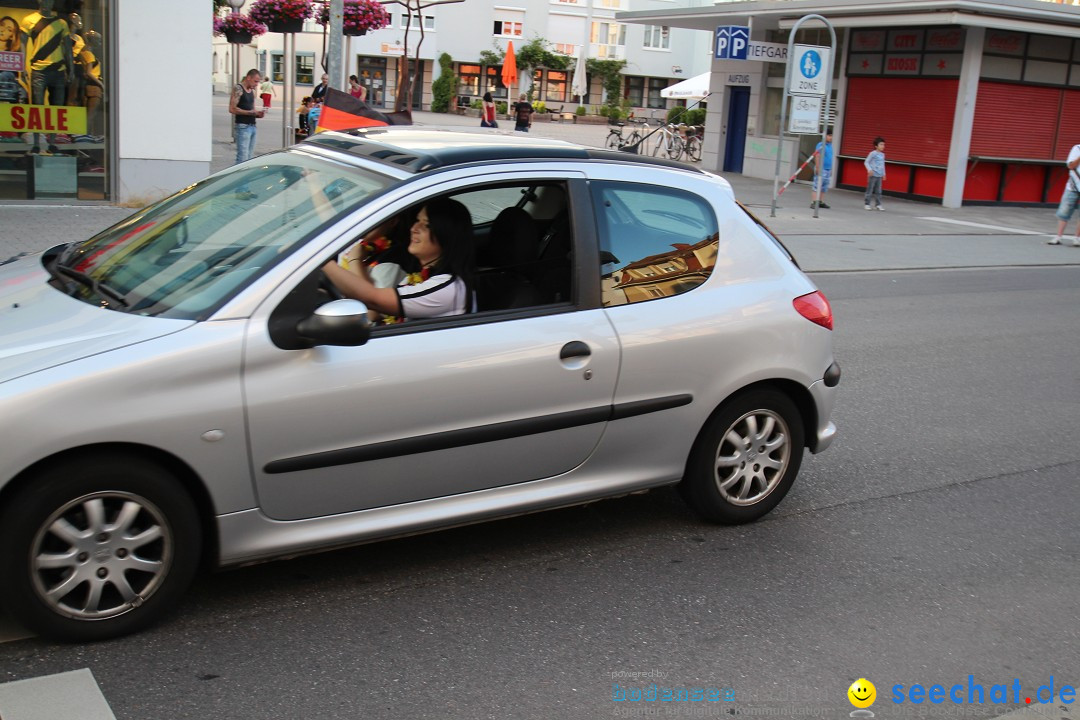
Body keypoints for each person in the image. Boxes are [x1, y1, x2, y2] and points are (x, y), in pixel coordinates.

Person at [322, 198, 475, 322]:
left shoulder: (448, 288)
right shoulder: (416, 279)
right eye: (417, 220)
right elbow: (375, 310)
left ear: (446, 236)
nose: (414, 228)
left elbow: (373, 299)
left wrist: (324, 258)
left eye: (426, 225)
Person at [19, 0, 73, 155]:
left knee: (56, 109)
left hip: (58, 70)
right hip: (39, 70)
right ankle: (36, 143)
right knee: (37, 107)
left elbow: (68, 48)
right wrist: (22, 67)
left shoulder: (61, 23)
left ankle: (52, 142)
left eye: (50, 0)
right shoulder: (29, 20)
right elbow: (22, 44)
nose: (47, 3)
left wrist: (71, 70)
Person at [229, 68, 264, 167]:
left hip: (252, 126)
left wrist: (257, 114)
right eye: (255, 81)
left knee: (249, 158)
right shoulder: (238, 88)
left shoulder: (251, 91)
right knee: (242, 158)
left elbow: (252, 109)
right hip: (243, 126)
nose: (257, 84)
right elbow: (232, 109)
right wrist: (250, 113)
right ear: (249, 78)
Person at [1049, 141, 1080, 246]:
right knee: (1064, 211)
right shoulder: (1077, 148)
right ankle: (1058, 237)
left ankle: (1077, 238)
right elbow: (1071, 166)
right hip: (1073, 186)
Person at [811, 129, 834, 210]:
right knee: (817, 185)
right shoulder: (820, 145)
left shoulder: (830, 146)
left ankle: (820, 201)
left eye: (831, 135)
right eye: (829, 135)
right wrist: (817, 167)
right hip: (821, 168)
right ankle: (814, 201)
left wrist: (831, 169)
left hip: (828, 169)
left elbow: (831, 158)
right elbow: (817, 155)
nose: (831, 137)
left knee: (824, 186)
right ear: (824, 136)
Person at [863, 136, 886, 211]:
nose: (883, 146)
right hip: (873, 175)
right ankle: (867, 204)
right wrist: (869, 170)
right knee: (870, 190)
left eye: (883, 144)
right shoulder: (872, 153)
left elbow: (883, 165)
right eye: (881, 144)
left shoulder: (883, 155)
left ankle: (878, 204)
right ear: (876, 146)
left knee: (878, 191)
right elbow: (866, 162)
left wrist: (884, 174)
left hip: (879, 175)